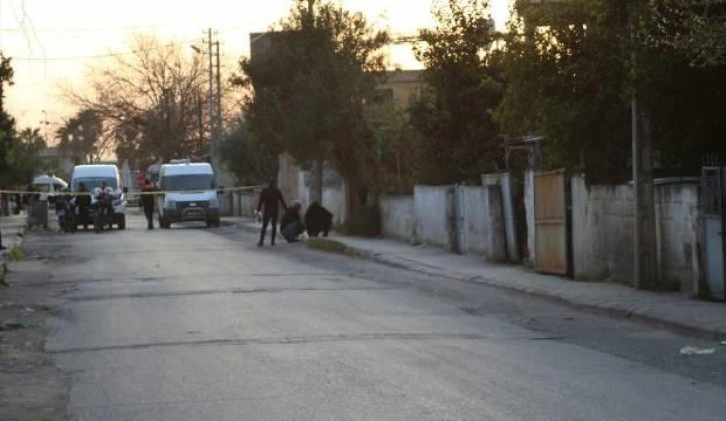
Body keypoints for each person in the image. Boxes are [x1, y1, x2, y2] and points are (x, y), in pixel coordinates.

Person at [256, 178, 287, 247]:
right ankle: (272, 241)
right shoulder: (277, 191)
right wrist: (287, 210)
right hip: (275, 210)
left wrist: (258, 210)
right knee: (274, 226)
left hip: (267, 210)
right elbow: (282, 201)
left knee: (264, 226)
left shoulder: (264, 191)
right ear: (274, 184)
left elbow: (260, 202)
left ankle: (261, 241)